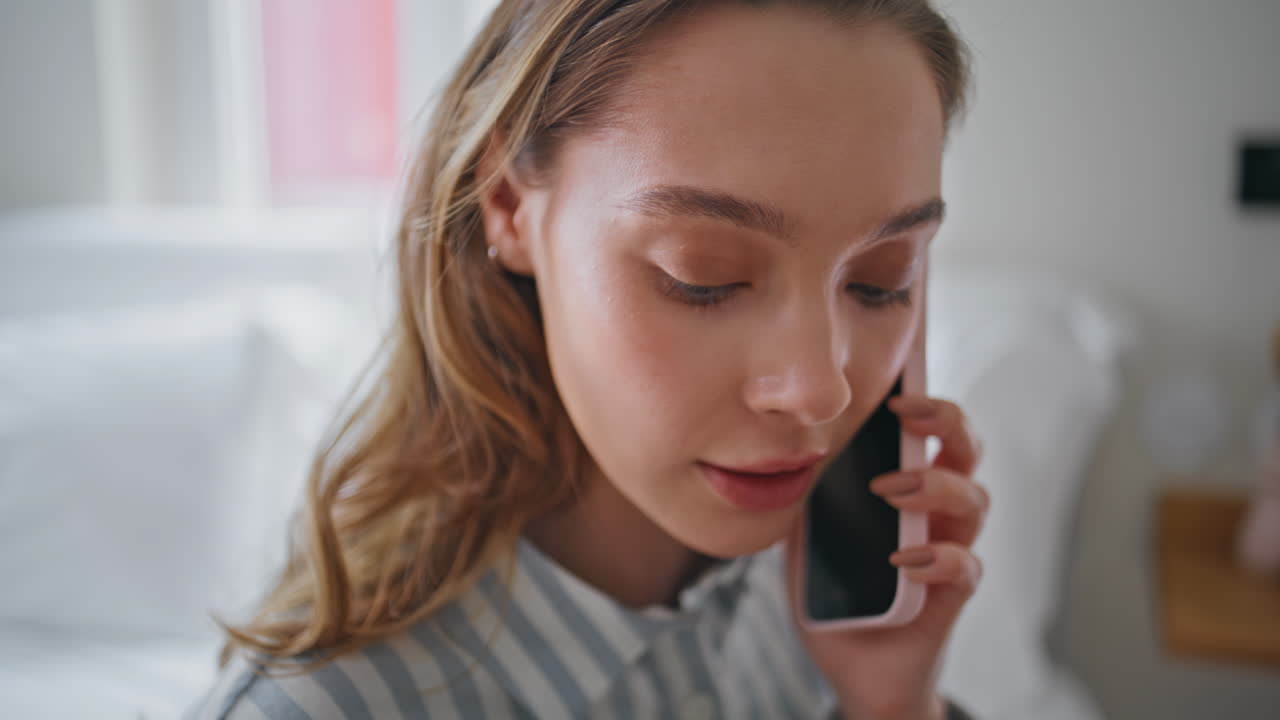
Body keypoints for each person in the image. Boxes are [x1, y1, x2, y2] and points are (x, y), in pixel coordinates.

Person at [188, 0, 988, 717]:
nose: (819, 390)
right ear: (507, 205)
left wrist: (890, 706)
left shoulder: (826, 608)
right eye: (703, 278)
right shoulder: (331, 707)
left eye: (884, 282)